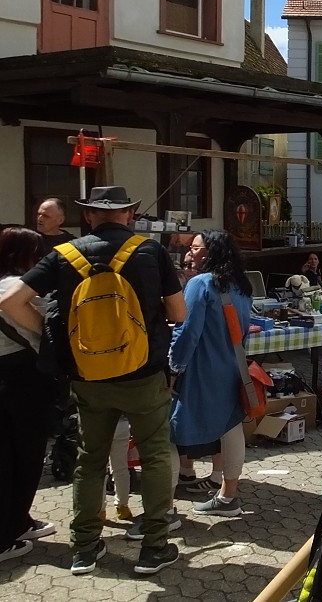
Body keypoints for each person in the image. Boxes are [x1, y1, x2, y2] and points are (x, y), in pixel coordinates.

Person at [0, 186, 186, 576]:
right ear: (129, 214)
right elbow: (179, 312)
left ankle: (84, 548)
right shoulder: (149, 251)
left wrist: (54, 338)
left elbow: (10, 301)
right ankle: (154, 547)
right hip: (143, 373)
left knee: (90, 460)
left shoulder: (64, 255)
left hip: (87, 376)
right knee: (153, 457)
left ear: (88, 216)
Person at [169, 231, 252, 518]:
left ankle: (163, 510)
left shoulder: (200, 284)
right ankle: (228, 496)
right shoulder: (241, 285)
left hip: (203, 368)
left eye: (197, 248)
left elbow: (187, 331)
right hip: (233, 367)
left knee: (169, 432)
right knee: (231, 428)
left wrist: (174, 366)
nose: (192, 253)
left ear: (212, 252)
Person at [0, 227, 54, 565]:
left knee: (8, 454)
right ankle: (7, 534)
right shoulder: (18, 289)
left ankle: (18, 521)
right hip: (22, 378)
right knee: (26, 455)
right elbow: (49, 322)